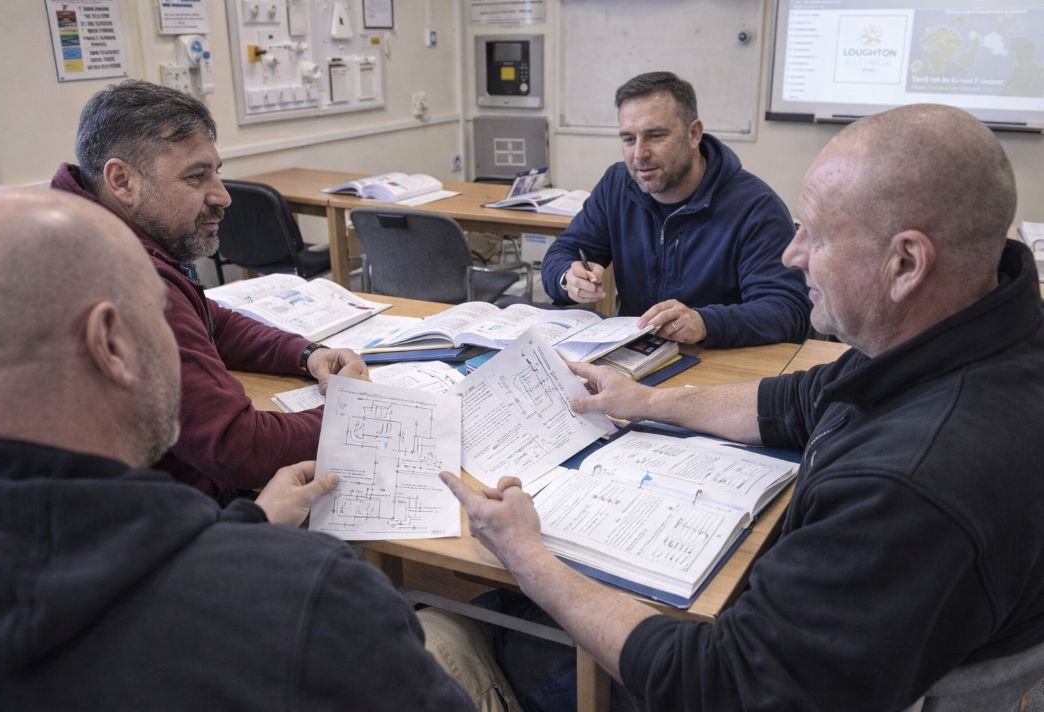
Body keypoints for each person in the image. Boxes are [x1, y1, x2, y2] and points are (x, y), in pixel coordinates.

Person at [442, 104, 1044, 711]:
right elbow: (802, 397)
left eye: (818, 235)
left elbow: (724, 685)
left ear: (906, 264)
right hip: (852, 641)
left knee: (488, 635)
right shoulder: (962, 335)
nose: (793, 254)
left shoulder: (915, 480)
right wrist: (647, 399)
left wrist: (523, 553)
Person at [0, 188, 472, 711]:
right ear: (113, 345)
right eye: (162, 319)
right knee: (455, 634)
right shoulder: (313, 595)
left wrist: (252, 524)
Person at [50, 79, 366, 499]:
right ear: (122, 180)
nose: (222, 196)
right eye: (196, 177)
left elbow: (211, 320)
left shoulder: (82, 229)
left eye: (216, 172)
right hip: (170, 515)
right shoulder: (124, 277)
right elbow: (241, 448)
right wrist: (353, 410)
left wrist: (307, 354)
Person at [540, 71, 810, 348]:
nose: (639, 154)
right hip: (635, 357)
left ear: (694, 134)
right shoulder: (617, 186)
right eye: (628, 139)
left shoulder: (755, 207)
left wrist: (705, 322)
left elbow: (789, 310)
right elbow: (563, 252)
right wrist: (567, 277)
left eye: (655, 136)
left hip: (717, 364)